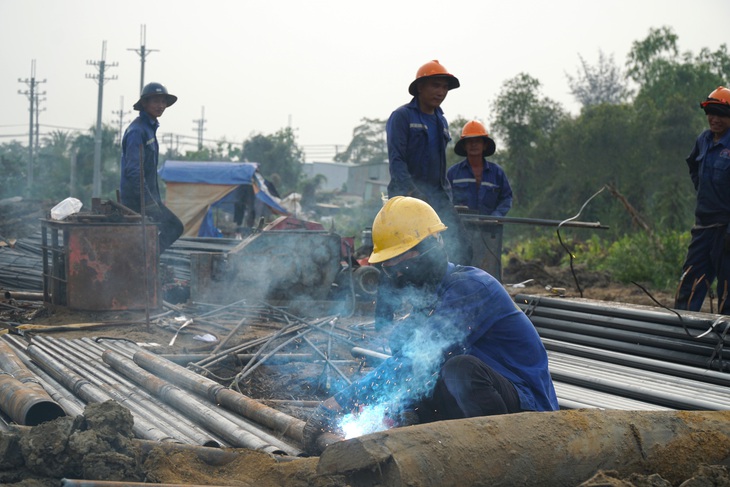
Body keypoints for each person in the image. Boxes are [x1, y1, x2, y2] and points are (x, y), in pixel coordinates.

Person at [303, 196, 559, 455]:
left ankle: (497, 456)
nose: (399, 276)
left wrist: (342, 402)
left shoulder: (471, 288)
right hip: (480, 402)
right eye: (391, 270)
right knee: (408, 363)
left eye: (403, 265)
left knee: (460, 369)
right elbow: (404, 361)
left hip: (527, 409)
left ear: (430, 250)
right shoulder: (430, 302)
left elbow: (416, 360)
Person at [385, 59, 471, 265]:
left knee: (461, 247)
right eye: (435, 85)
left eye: (444, 87)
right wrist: (413, 194)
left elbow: (440, 166)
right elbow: (397, 161)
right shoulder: (402, 116)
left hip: (437, 196)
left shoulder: (441, 121)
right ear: (420, 88)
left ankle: (455, 290)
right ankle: (406, 294)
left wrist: (445, 197)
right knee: (412, 252)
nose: (440, 91)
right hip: (407, 197)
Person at [675, 86, 730, 315]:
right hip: (703, 228)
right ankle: (681, 337)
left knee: (727, 289)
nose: (714, 119)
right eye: (710, 113)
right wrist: (703, 189)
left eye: (720, 114)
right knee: (690, 282)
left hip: (725, 230)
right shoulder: (704, 140)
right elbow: (693, 165)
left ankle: (724, 343)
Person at [120, 82, 184, 254]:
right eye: (156, 101)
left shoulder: (149, 128)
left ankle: (147, 258)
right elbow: (133, 171)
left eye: (163, 101)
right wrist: (148, 202)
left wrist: (153, 200)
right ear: (145, 103)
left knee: (166, 229)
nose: (161, 106)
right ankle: (148, 259)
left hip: (147, 198)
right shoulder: (137, 131)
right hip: (136, 200)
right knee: (174, 226)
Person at [447, 120, 513, 216]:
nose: (473, 144)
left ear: (484, 145)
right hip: (461, 228)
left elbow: (506, 198)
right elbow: (445, 199)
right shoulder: (453, 173)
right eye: (469, 141)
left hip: (491, 228)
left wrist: (497, 215)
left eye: (477, 141)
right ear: (464, 146)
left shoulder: (497, 172)